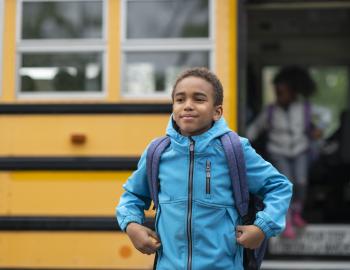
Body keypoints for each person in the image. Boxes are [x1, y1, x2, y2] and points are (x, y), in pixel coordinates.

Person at [116, 67, 292, 269]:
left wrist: (262, 228)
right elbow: (132, 195)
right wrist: (131, 226)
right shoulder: (158, 152)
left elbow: (279, 187)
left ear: (217, 112)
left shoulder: (234, 149)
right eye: (180, 100)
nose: (188, 106)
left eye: (199, 99)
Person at [247, 66, 321, 239]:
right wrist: (241, 142)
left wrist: (319, 130)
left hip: (300, 149)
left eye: (283, 92)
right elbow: (255, 129)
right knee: (286, 183)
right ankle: (287, 221)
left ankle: (296, 212)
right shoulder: (271, 110)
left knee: (301, 182)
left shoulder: (305, 108)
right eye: (277, 92)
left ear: (293, 92)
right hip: (278, 151)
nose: (279, 95)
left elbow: (323, 118)